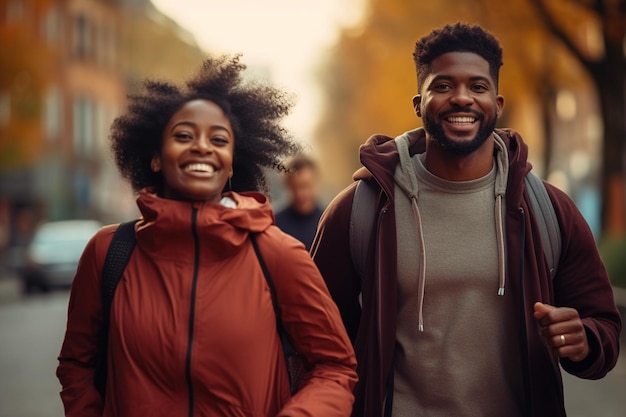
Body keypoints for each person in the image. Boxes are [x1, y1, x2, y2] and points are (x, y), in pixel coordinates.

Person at [311, 23, 621, 417]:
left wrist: (585, 340)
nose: (462, 98)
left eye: (477, 87)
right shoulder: (360, 211)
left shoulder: (547, 208)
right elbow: (313, 340)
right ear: (418, 103)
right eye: (442, 86)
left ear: (497, 103)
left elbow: (604, 326)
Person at [57, 55, 357, 417]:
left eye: (218, 139)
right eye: (184, 135)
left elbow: (334, 365)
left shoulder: (277, 254)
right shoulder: (109, 253)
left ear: (231, 163)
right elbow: (77, 364)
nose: (202, 146)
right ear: (155, 157)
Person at [275, 154, 325, 251]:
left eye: (305, 186)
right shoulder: (275, 224)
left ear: (316, 182)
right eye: (294, 187)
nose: (300, 194)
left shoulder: (328, 221)